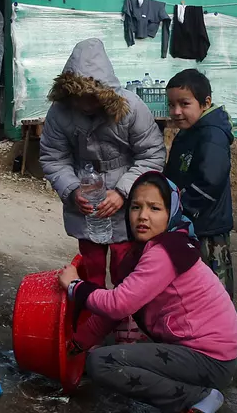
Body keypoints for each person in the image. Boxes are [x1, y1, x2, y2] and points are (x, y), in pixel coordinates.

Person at [58, 172, 237, 413]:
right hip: (209, 355)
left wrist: (75, 286)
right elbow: (112, 313)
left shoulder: (164, 252)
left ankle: (198, 397)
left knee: (102, 364)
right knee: (106, 356)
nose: (142, 216)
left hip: (210, 360)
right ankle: (194, 387)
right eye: (136, 207)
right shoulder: (148, 251)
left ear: (171, 212)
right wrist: (78, 344)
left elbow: (118, 305)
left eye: (154, 208)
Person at [39, 38, 167, 287]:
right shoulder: (60, 112)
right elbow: (54, 157)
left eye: (91, 97)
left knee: (126, 266)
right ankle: (90, 314)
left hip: (126, 200)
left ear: (104, 91)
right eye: (77, 96)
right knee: (91, 267)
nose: (83, 104)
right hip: (85, 195)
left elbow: (152, 154)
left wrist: (123, 192)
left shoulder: (130, 109)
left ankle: (125, 319)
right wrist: (73, 190)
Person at [164, 69, 236, 299]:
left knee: (214, 287)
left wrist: (179, 209)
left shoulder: (213, 134)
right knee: (191, 285)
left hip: (208, 227)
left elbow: (211, 180)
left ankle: (222, 331)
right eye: (171, 104)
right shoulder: (187, 133)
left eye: (184, 104)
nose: (176, 111)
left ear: (206, 102)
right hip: (189, 223)